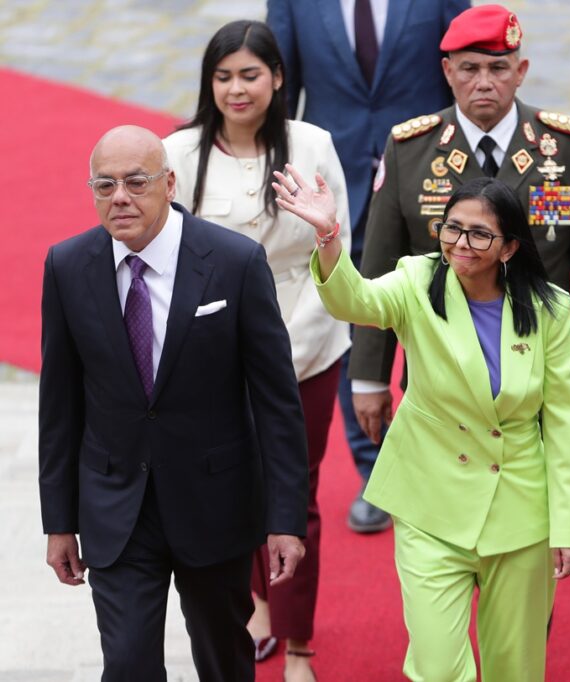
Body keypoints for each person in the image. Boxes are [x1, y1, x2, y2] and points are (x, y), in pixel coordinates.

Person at [275, 169, 570, 681]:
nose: (461, 244)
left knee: (517, 668)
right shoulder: (417, 280)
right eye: (452, 228)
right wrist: (329, 236)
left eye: (479, 234)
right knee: (438, 669)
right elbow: (356, 302)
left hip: (522, 510)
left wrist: (568, 525)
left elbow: (564, 421)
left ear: (508, 248)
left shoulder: (549, 308)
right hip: (430, 503)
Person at [39, 125, 308, 681]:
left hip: (214, 503)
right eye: (104, 185)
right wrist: (59, 522)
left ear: (169, 182)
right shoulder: (67, 266)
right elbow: (60, 404)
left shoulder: (234, 262)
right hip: (116, 505)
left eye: (136, 182)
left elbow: (277, 402)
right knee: (129, 665)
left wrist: (285, 519)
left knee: (223, 658)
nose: (120, 197)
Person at [350, 4, 570, 456]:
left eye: (498, 67)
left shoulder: (564, 148)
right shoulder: (410, 150)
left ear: (521, 71)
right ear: (446, 71)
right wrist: (369, 376)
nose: (484, 81)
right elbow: (380, 269)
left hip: (538, 363)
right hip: (441, 365)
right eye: (470, 68)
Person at [162, 20, 350, 679]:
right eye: (223, 76)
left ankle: (299, 644)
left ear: (277, 78)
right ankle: (255, 609)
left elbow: (336, 248)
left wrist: (280, 349)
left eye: (250, 74)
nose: (237, 89)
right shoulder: (179, 155)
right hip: (210, 354)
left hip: (309, 342)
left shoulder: (312, 145)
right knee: (230, 488)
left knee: (294, 493)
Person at [267, 0, 469, 534]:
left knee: (446, 314)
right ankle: (376, 469)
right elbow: (280, 86)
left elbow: (465, 60)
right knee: (352, 316)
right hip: (336, 182)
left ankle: (450, 461)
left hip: (435, 180)